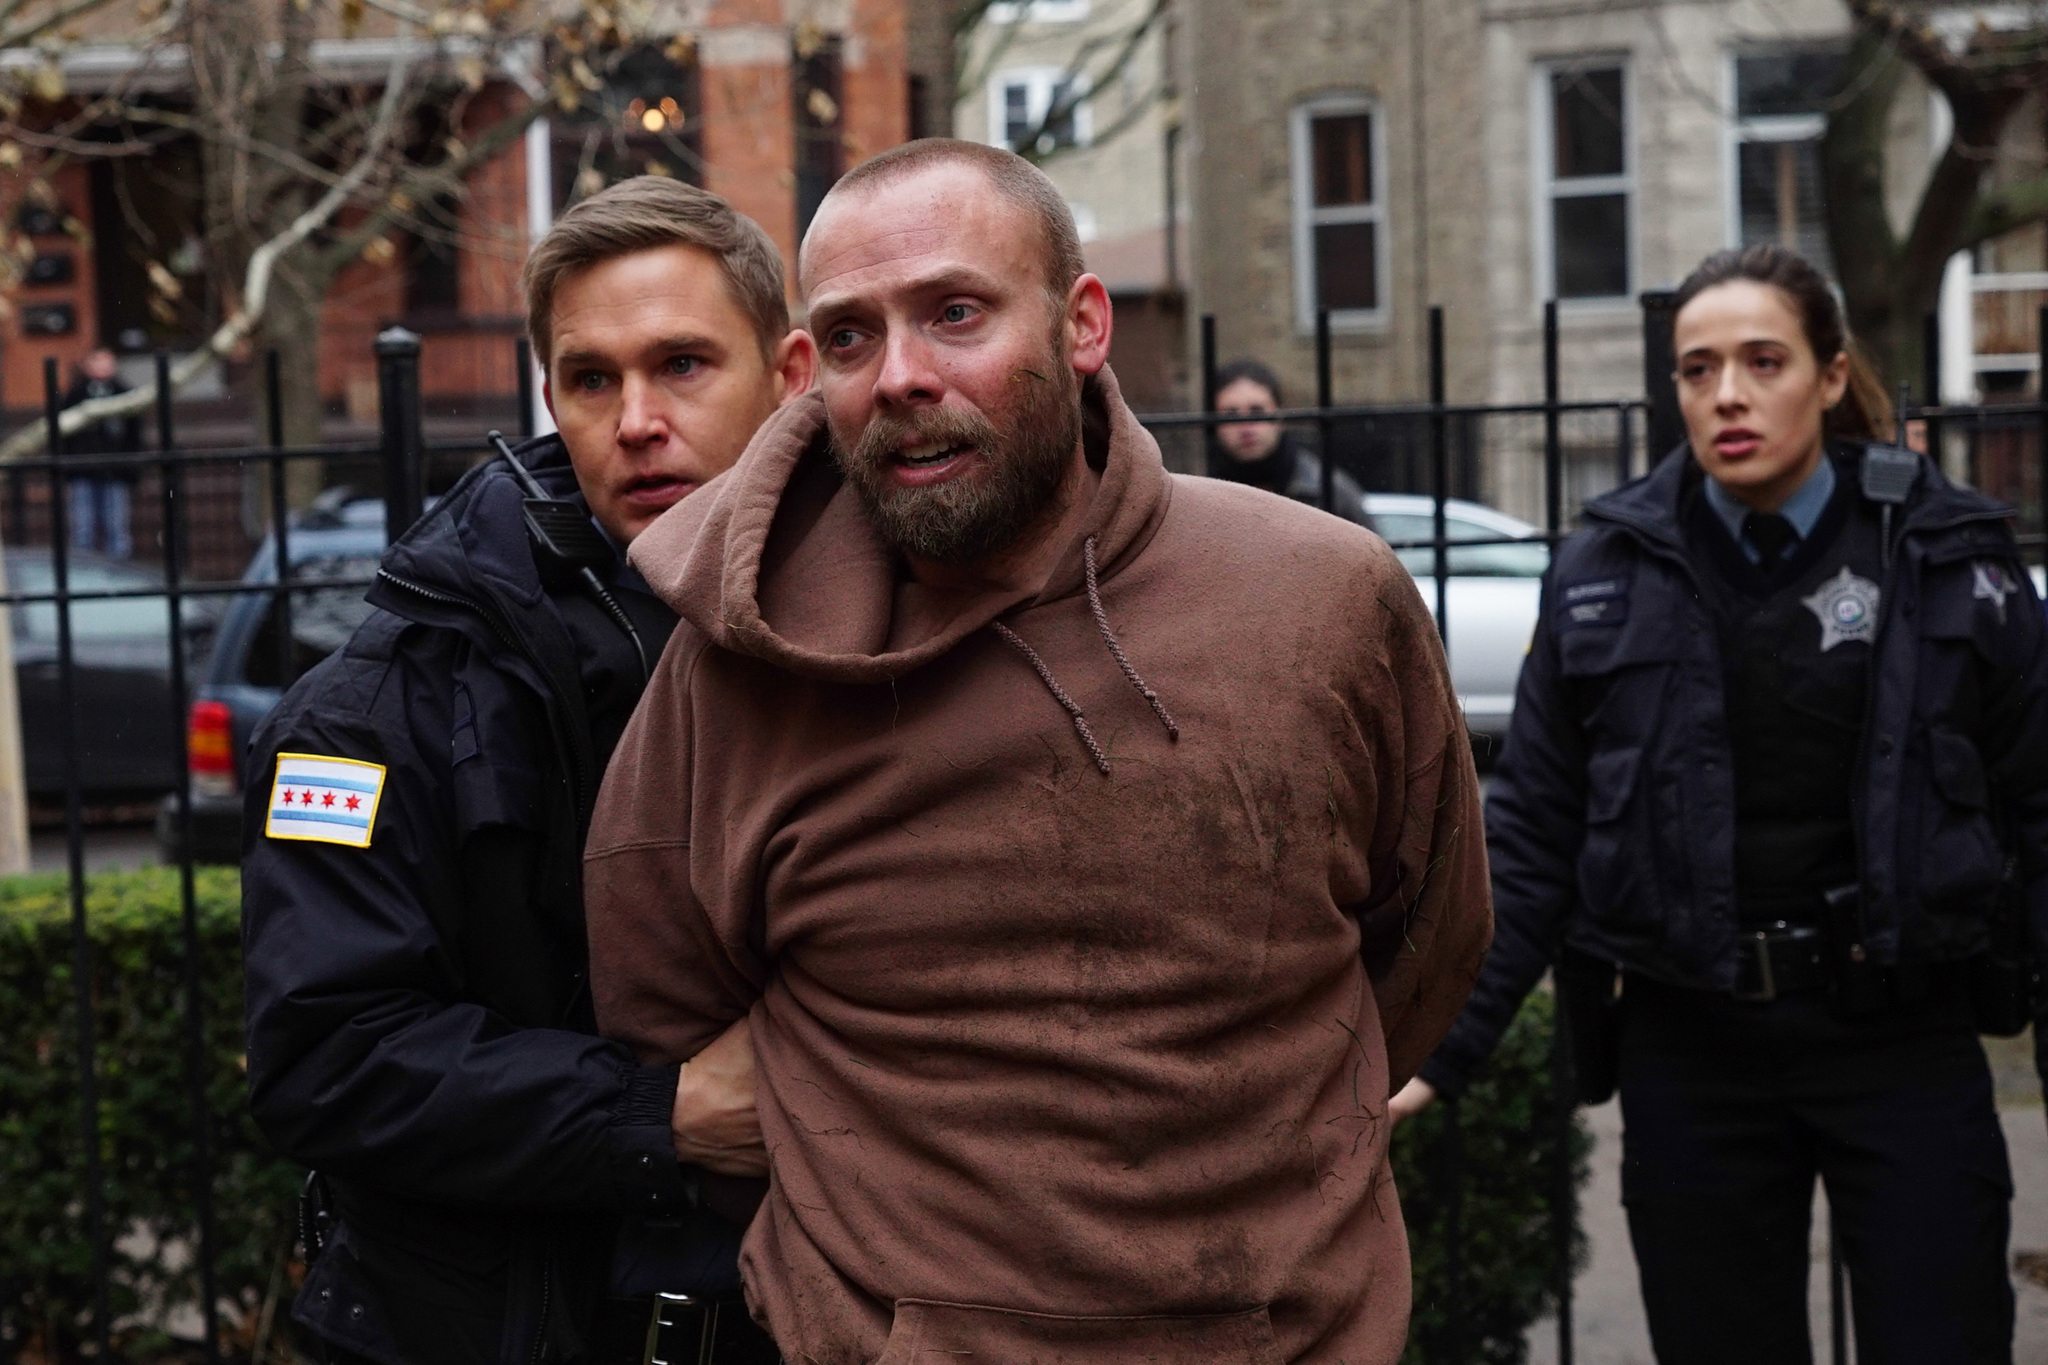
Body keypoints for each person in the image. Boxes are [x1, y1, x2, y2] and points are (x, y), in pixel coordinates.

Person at [581, 139, 1492, 1365]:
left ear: (1081, 324)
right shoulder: (734, 669)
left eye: (954, 313)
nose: (899, 375)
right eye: (849, 338)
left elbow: (1425, 943)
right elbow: (663, 1006)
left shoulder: (1323, 600)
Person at [1391, 244, 2048, 1365]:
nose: (1726, 395)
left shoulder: (1949, 556)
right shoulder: (1607, 565)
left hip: (1896, 1034)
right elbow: (1534, 832)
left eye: (1761, 361)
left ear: (1831, 376)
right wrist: (1436, 1050)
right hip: (1688, 1043)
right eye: (1696, 370)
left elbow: (2035, 820)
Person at [240, 176, 815, 1365]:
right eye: (591, 379)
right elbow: (326, 1055)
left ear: (790, 375)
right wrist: (665, 1117)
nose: (635, 418)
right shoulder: (380, 701)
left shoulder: (892, 630)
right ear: (549, 394)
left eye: (684, 365)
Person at [1209, 358, 1372, 528]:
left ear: (1280, 416)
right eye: (1231, 415)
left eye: (1257, 411)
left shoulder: (1331, 490)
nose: (1246, 427)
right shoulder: (1202, 495)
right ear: (1215, 424)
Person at [60, 347, 141, 558]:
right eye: (97, 361)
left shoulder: (124, 393)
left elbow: (134, 435)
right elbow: (64, 435)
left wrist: (131, 469)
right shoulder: (75, 395)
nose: (102, 366)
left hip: (115, 471)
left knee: (117, 529)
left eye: (106, 361)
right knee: (83, 529)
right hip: (83, 470)